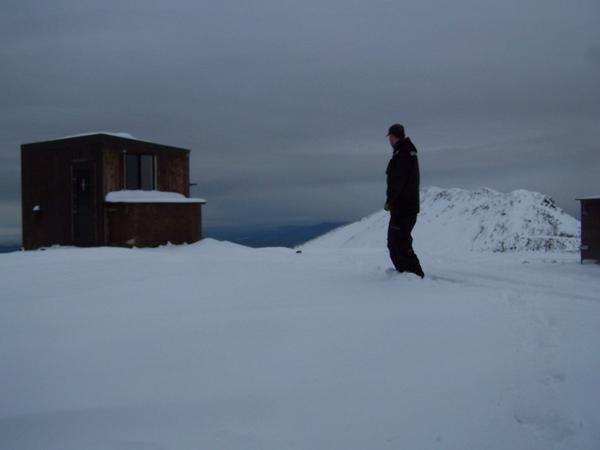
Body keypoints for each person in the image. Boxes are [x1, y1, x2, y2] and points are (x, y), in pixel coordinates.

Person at [384, 123, 425, 278]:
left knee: (398, 242)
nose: (389, 141)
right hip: (406, 206)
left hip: (402, 207)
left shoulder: (403, 154)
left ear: (393, 137)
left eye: (390, 137)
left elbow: (397, 181)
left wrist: (390, 200)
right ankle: (405, 273)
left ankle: (414, 274)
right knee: (397, 241)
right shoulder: (407, 152)